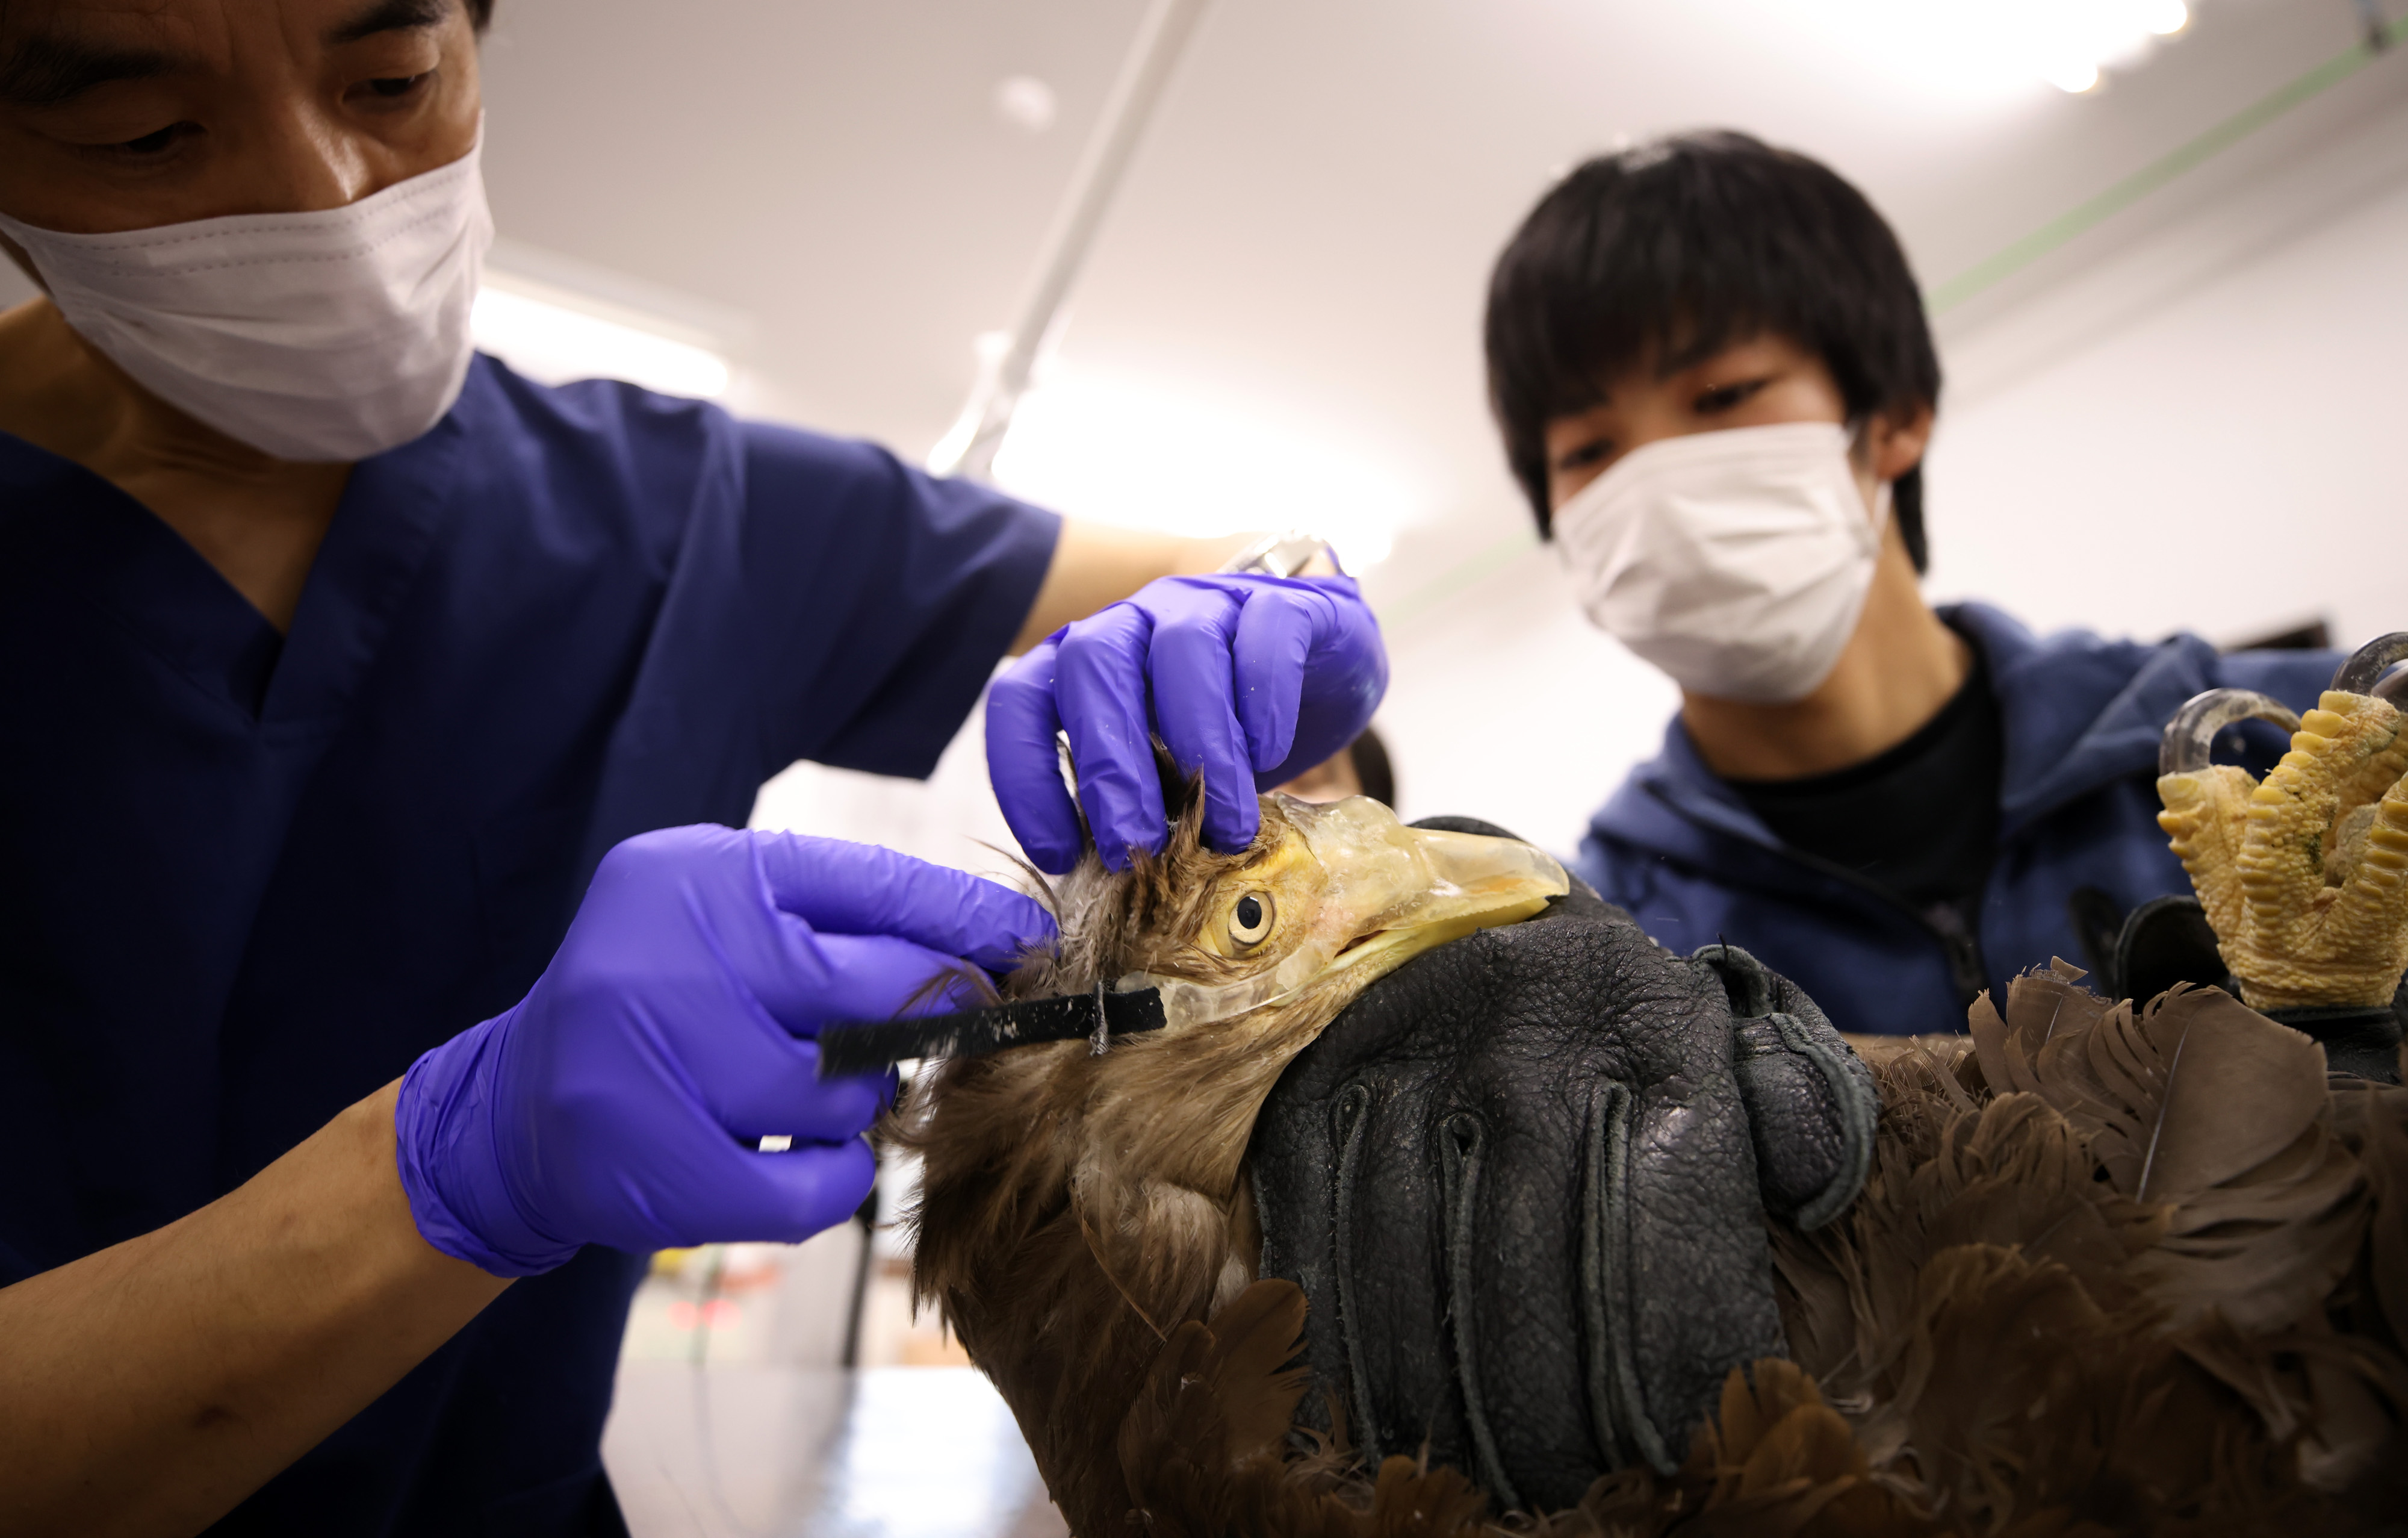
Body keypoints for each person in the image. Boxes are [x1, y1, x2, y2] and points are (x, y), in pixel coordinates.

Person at [0, 1, 1383, 1531]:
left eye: (390, 81)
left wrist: (1279, 582)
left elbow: (1213, 554)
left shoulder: (678, 513)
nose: (325, 193)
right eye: (145, 130)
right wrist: (445, 1172)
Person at [1481, 131, 2338, 1038]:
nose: (1655, 485)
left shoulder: (2287, 748)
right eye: (1588, 451)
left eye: (1724, 396)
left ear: (1892, 414)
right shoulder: (1608, 961)